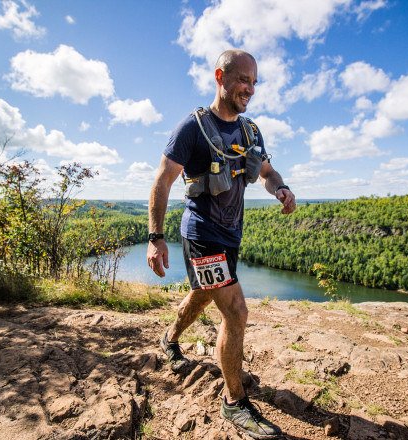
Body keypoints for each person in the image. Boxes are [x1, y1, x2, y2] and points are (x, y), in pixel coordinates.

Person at [147, 49, 296, 439]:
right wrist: (155, 237)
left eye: (254, 82)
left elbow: (265, 171)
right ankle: (234, 403)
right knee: (236, 311)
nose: (249, 88)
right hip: (200, 233)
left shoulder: (250, 132)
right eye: (242, 79)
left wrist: (279, 187)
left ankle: (170, 339)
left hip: (230, 236)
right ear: (221, 76)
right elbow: (163, 181)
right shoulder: (192, 128)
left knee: (202, 294)